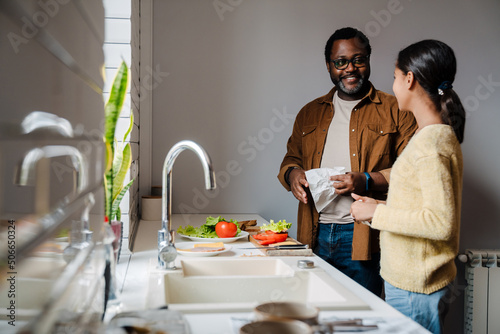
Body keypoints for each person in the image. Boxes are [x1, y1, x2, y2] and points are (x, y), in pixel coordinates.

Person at [277, 27, 417, 296]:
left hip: (365, 236)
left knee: (364, 316)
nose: (350, 68)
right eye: (340, 62)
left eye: (358, 60)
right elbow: (291, 158)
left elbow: (411, 171)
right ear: (329, 65)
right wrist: (293, 174)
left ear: (368, 60)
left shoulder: (396, 109)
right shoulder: (309, 113)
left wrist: (366, 180)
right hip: (313, 233)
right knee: (315, 310)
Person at [350, 39, 465, 334]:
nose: (393, 85)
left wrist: (374, 216)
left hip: (416, 287)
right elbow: (425, 209)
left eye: (395, 77)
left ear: (409, 79)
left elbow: (440, 223)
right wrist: (380, 205)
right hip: (416, 283)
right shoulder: (436, 136)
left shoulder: (429, 144)